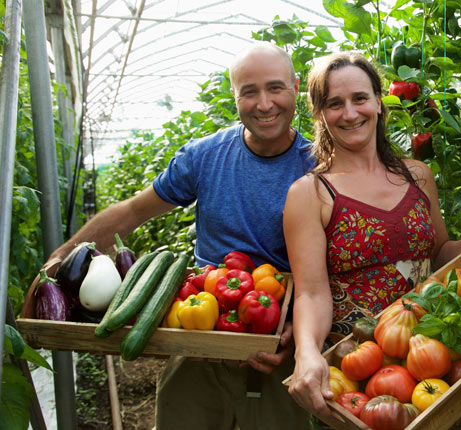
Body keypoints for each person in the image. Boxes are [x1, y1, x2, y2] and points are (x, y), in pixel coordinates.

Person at [45, 42, 314, 430]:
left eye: (275, 88)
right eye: (249, 91)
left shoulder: (320, 165)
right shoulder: (205, 157)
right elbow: (134, 212)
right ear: (234, 96)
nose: (264, 103)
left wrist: (300, 333)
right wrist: (64, 255)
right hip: (200, 332)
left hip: (282, 341)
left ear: (295, 87)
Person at [283, 52, 461, 421]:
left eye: (360, 98)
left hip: (436, 361)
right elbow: (311, 292)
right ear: (319, 114)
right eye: (335, 103)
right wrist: (307, 353)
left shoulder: (416, 175)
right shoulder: (310, 194)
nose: (350, 113)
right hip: (363, 379)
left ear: (379, 102)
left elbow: (439, 256)